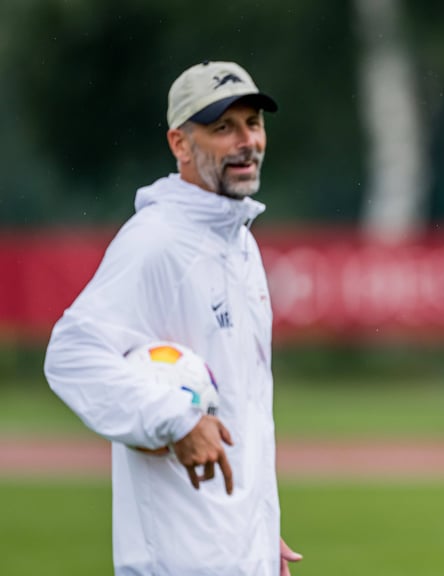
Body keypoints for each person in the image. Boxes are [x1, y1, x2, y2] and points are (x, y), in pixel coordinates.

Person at [44, 61, 302, 575]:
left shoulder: (240, 245)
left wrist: (257, 529)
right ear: (180, 144)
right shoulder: (156, 241)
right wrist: (177, 419)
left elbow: (241, 409)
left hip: (234, 549)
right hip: (178, 560)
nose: (246, 141)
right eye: (223, 127)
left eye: (253, 123)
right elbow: (71, 356)